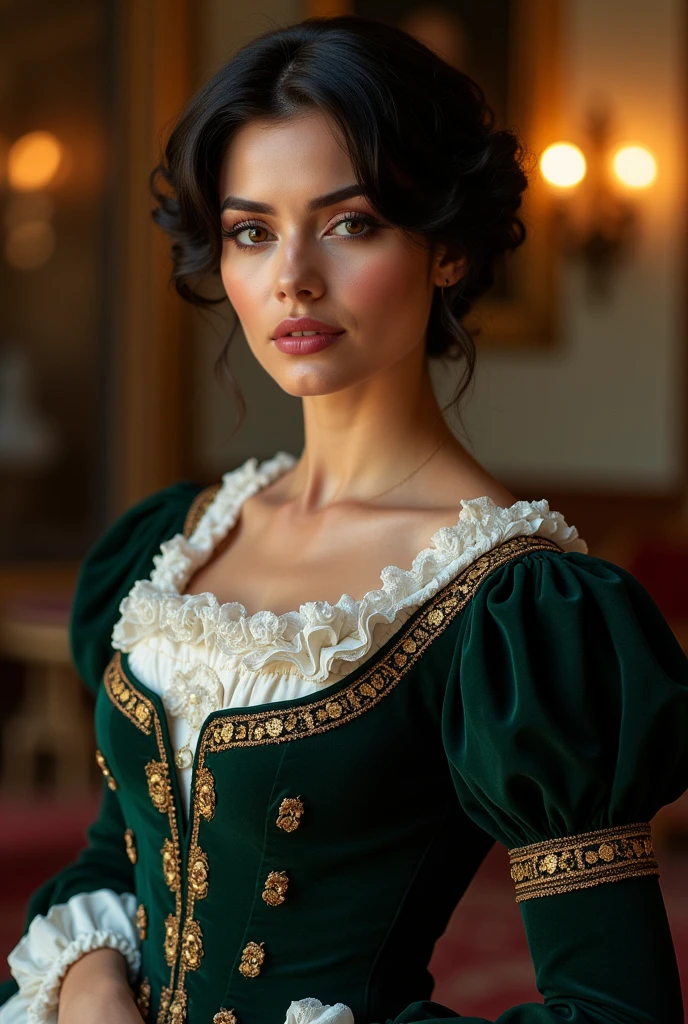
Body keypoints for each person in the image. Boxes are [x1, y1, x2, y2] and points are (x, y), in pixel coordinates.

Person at [1, 14, 687, 1024]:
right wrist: (92, 982)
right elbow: (121, 845)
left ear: (445, 248)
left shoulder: (520, 607)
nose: (293, 277)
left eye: (349, 222)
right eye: (251, 230)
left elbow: (613, 1009)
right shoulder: (172, 540)